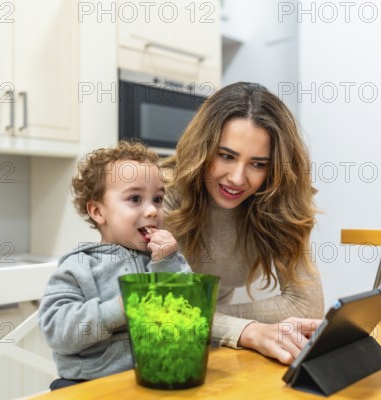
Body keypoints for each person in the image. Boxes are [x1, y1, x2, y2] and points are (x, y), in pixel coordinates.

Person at [163, 82, 324, 365]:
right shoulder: (161, 195)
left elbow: (307, 307)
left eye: (258, 164)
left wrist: (213, 321)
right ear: (204, 148)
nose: (238, 179)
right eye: (226, 156)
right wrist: (247, 330)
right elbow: (155, 309)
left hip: (211, 347)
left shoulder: (278, 205)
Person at [38, 141, 192, 390]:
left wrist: (166, 263)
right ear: (98, 212)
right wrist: (118, 309)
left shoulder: (166, 258)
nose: (152, 210)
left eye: (158, 199)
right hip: (87, 385)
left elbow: (190, 314)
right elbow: (57, 330)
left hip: (157, 379)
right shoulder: (79, 266)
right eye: (135, 198)